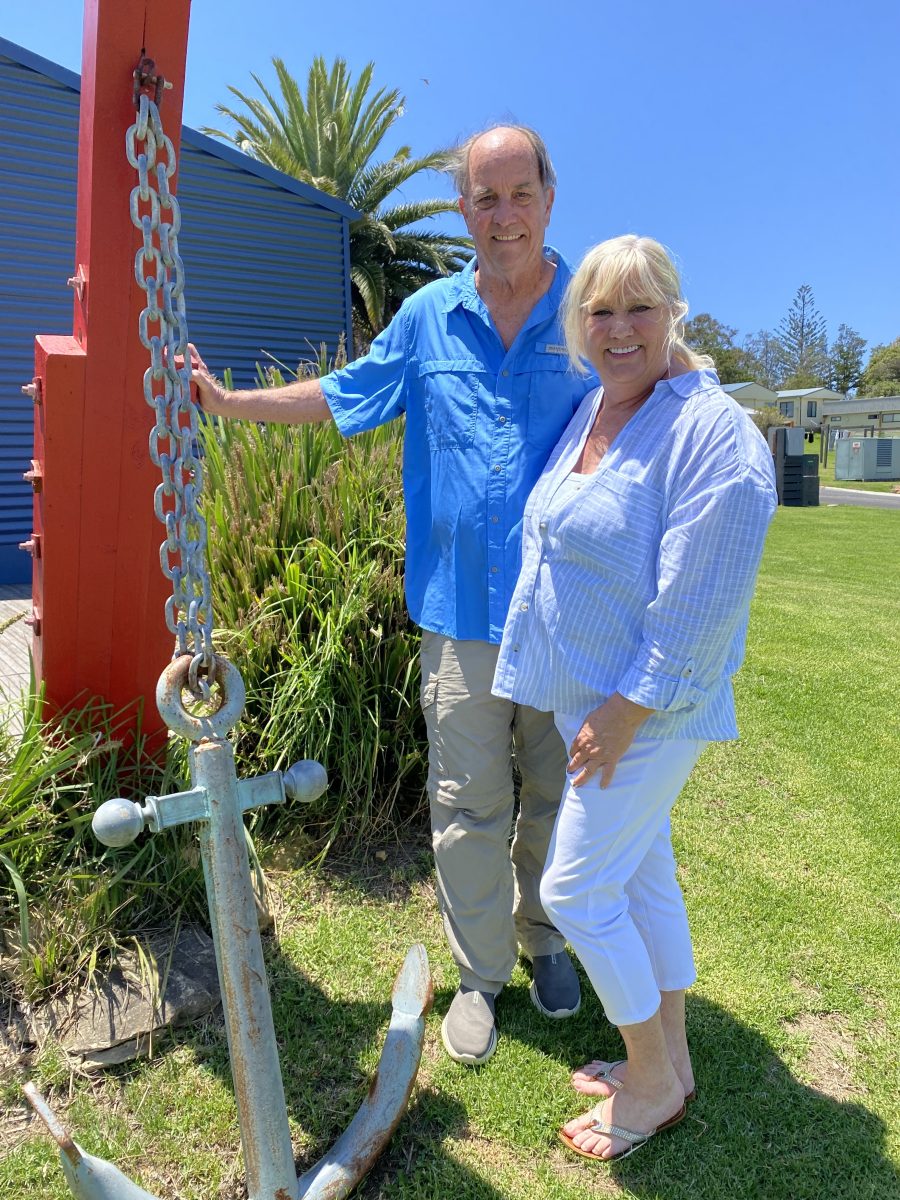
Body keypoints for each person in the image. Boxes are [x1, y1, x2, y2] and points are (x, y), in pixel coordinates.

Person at [189, 125, 597, 1066]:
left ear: (548, 195)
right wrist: (228, 403)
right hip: (457, 612)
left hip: (564, 613)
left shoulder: (590, 311)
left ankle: (546, 939)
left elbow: (652, 397)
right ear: (462, 210)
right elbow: (343, 394)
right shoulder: (425, 317)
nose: (503, 217)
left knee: (556, 793)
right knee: (466, 799)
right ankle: (480, 976)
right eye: (483, 199)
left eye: (518, 194)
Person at [492, 234, 777, 1159]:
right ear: (578, 326)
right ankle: (677, 1061)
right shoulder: (599, 410)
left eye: (639, 308)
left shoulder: (711, 433)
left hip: (643, 712)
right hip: (597, 704)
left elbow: (706, 595)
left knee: (575, 889)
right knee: (640, 875)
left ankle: (650, 1084)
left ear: (674, 314)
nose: (619, 329)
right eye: (599, 311)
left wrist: (626, 711)